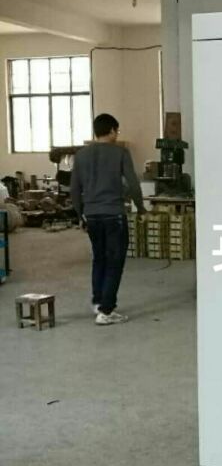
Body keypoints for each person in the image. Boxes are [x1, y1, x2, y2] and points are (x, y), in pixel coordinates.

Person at [70, 113, 145, 325]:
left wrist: (80, 215)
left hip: (92, 215)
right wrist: (141, 208)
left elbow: (74, 189)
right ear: (112, 130)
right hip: (114, 214)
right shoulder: (120, 153)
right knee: (115, 261)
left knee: (99, 258)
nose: (117, 134)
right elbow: (133, 184)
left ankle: (98, 301)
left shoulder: (81, 155)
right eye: (116, 131)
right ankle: (106, 310)